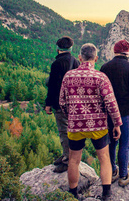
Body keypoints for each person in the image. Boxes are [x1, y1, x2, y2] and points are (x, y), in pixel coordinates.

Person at [60, 43, 122, 200]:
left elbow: (62, 102)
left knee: (74, 160)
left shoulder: (68, 77)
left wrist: (73, 116)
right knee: (104, 159)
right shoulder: (101, 77)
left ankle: (73, 194)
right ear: (96, 59)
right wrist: (117, 124)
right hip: (98, 127)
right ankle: (106, 195)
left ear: (80, 58)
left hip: (75, 127)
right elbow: (111, 103)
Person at [100, 39, 129, 186]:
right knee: (125, 143)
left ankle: (112, 171)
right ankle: (124, 176)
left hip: (108, 113)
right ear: (127, 52)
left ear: (114, 50)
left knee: (111, 142)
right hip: (124, 112)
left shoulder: (105, 67)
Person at [45, 36, 80, 173]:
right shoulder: (75, 62)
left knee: (63, 131)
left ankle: (67, 161)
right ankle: (67, 155)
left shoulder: (56, 64)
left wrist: (48, 104)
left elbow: (52, 86)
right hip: (73, 103)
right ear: (71, 48)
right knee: (70, 131)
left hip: (60, 103)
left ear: (58, 48)